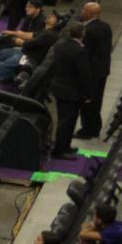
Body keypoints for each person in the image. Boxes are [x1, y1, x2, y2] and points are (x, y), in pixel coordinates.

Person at [44, 22, 92, 158]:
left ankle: (65, 146)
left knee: (64, 120)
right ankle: (60, 150)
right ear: (82, 34)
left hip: (59, 88)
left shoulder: (60, 45)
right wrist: (88, 94)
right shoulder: (80, 51)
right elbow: (85, 74)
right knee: (67, 122)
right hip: (72, 91)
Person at [77, 2, 114, 140]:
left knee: (88, 101)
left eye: (84, 10)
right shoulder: (106, 26)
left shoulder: (89, 30)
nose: (81, 12)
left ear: (90, 13)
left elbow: (86, 53)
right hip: (103, 70)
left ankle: (87, 130)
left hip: (92, 71)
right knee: (97, 100)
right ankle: (95, 128)